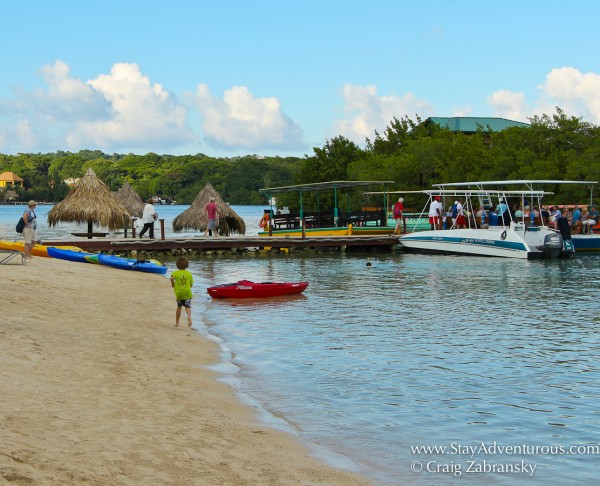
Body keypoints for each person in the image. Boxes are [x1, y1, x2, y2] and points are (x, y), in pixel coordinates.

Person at [170, 256, 194, 328]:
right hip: (187, 292)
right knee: (187, 306)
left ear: (177, 265)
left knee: (179, 306)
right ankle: (189, 317)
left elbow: (171, 278)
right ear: (187, 265)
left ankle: (177, 323)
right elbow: (191, 284)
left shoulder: (175, 272)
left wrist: (172, 284)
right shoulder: (189, 274)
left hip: (179, 293)